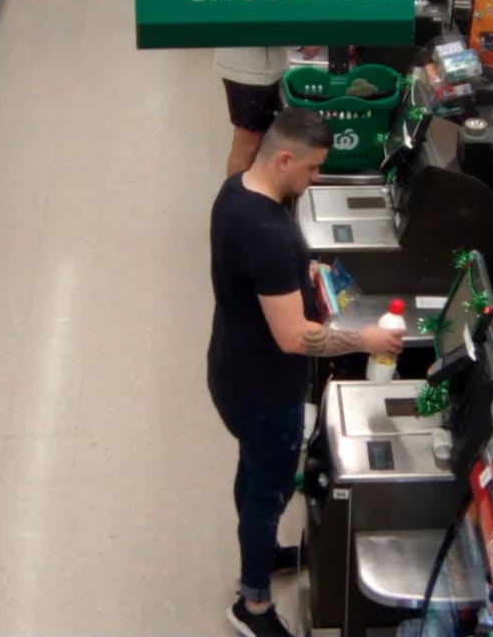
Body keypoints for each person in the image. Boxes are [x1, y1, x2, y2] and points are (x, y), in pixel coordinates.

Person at [207, 107, 404, 637]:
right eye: (313, 169)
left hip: (231, 365)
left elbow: (260, 281)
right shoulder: (266, 233)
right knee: (268, 486)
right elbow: (295, 336)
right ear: (285, 157)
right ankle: (252, 607)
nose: (315, 180)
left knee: (256, 472)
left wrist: (305, 271)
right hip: (264, 388)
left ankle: (265, 547)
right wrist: (363, 340)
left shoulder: (236, 192)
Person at [215, 47, 321, 176]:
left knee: (257, 141)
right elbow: (272, 26)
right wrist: (303, 44)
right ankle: (237, 194)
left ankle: (251, 191)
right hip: (250, 69)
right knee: (249, 142)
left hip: (257, 65)